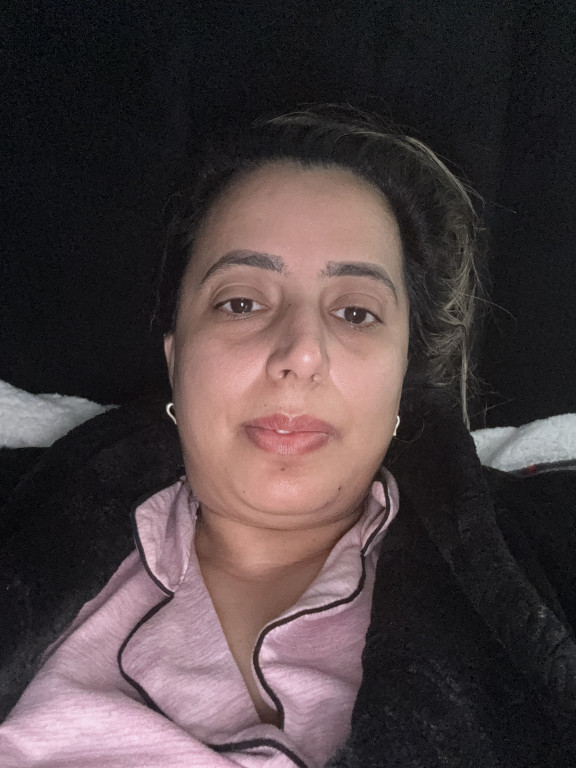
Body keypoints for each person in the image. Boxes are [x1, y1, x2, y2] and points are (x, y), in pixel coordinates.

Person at [1, 106, 575, 767]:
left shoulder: (548, 555)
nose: (301, 352)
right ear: (175, 356)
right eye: (241, 303)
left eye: (355, 312)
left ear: (402, 380)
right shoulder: (24, 520)